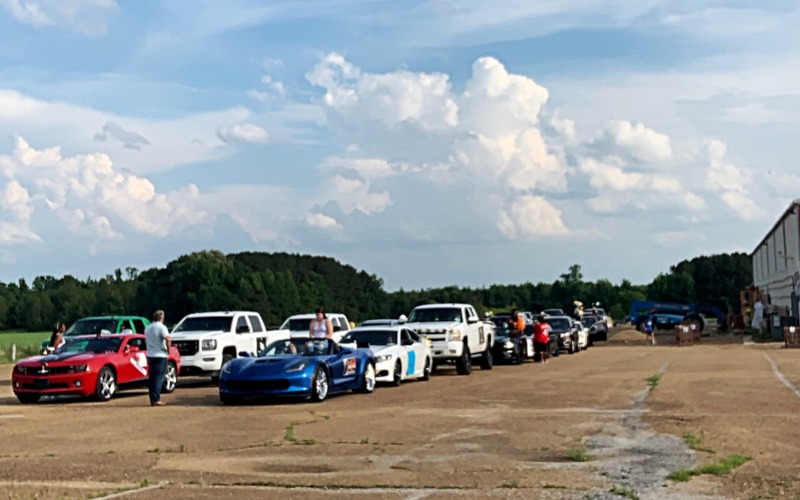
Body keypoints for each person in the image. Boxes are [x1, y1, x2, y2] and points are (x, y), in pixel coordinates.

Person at [144, 310, 171, 407]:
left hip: (150, 355)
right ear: (161, 318)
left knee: (152, 377)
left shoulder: (147, 328)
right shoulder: (162, 327)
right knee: (159, 377)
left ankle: (152, 398)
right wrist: (168, 350)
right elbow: (168, 339)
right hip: (160, 355)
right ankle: (156, 399)